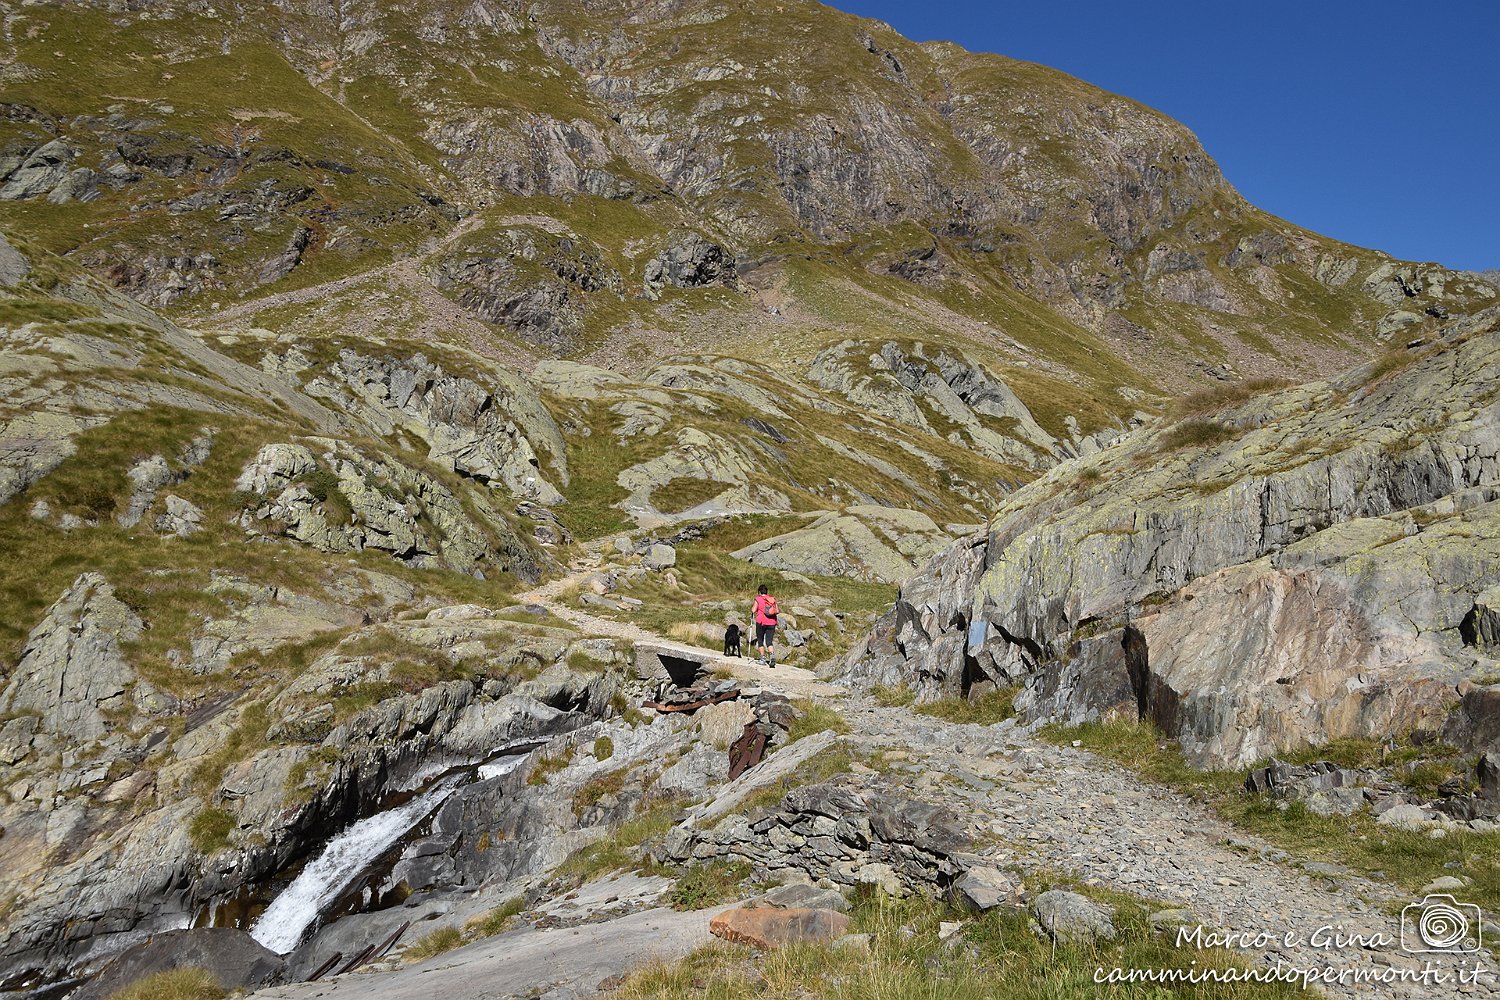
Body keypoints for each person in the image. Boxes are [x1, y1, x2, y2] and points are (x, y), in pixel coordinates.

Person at [751, 584, 779, 667]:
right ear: (767, 592)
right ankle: (772, 656)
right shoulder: (772, 599)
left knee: (760, 640)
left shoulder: (758, 599)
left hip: (761, 622)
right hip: (772, 623)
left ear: (759, 592)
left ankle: (763, 659)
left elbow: (753, 610)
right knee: (769, 641)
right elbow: (777, 611)